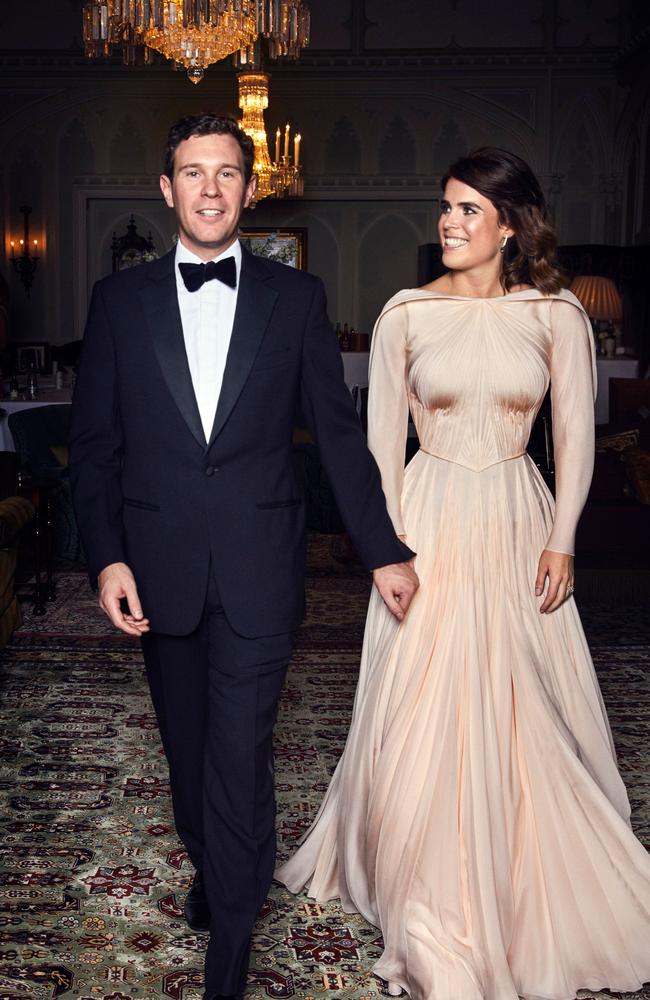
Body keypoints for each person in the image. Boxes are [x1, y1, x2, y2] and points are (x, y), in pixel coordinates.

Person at [277, 147, 650, 1000]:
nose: (448, 221)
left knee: (525, 700)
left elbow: (575, 440)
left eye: (469, 210)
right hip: (430, 520)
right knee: (422, 700)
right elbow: (379, 447)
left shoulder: (554, 314)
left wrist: (563, 540)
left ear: (511, 225)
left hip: (521, 521)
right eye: (445, 206)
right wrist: (387, 547)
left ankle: (523, 864)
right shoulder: (405, 311)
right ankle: (423, 877)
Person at [68, 112, 418, 1000]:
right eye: (193, 173)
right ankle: (216, 864)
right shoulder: (118, 303)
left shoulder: (294, 299)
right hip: (158, 568)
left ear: (250, 189)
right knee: (188, 755)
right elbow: (97, 444)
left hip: (263, 563)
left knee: (240, 751)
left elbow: (338, 437)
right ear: (167, 188)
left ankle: (232, 935)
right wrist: (106, 558)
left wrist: (380, 549)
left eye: (227, 173)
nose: (211, 189)